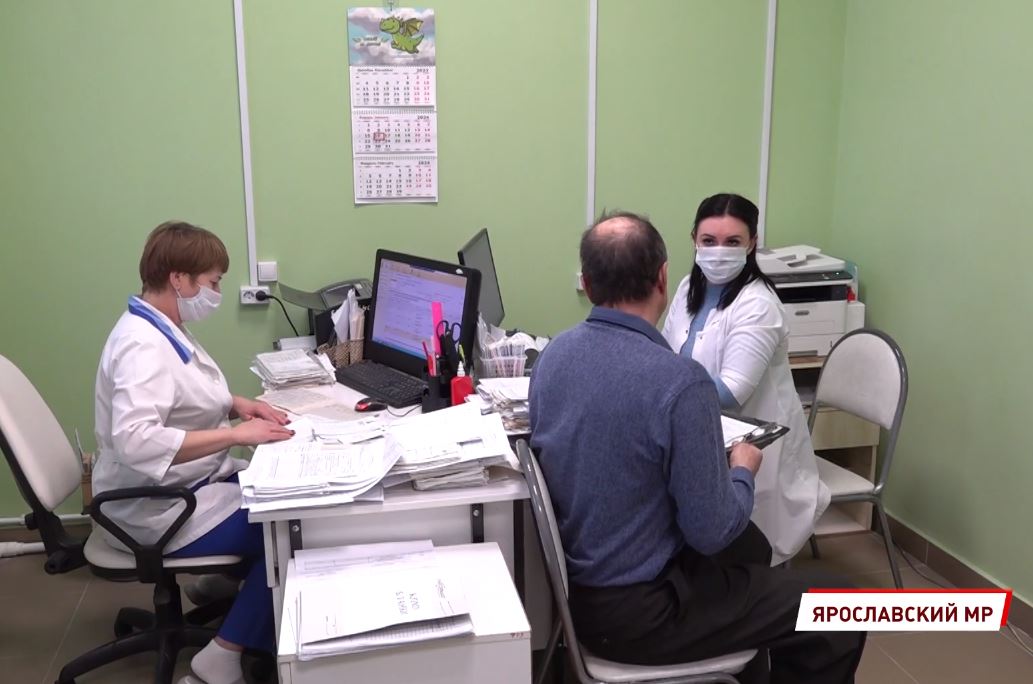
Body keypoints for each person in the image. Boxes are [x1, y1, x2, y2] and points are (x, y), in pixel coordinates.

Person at [529, 211, 865, 683]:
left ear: (586, 282)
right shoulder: (680, 383)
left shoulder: (553, 356)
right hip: (641, 614)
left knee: (751, 549)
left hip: (577, 596)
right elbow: (712, 531)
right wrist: (743, 470)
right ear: (663, 278)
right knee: (837, 604)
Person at [93, 221, 295, 684]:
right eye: (212, 283)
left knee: (278, 489)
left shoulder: (159, 325)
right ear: (178, 279)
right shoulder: (141, 346)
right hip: (155, 508)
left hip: (181, 486)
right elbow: (138, 440)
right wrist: (236, 435)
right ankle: (220, 657)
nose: (216, 293)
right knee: (288, 526)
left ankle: (221, 586)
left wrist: (237, 404)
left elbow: (185, 394)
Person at [661, 193, 829, 564]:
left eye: (732, 241)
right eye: (709, 241)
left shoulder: (758, 303)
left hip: (751, 444)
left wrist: (663, 393)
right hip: (702, 430)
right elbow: (667, 355)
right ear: (694, 240)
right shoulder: (689, 287)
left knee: (744, 546)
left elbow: (730, 393)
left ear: (752, 243)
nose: (718, 252)